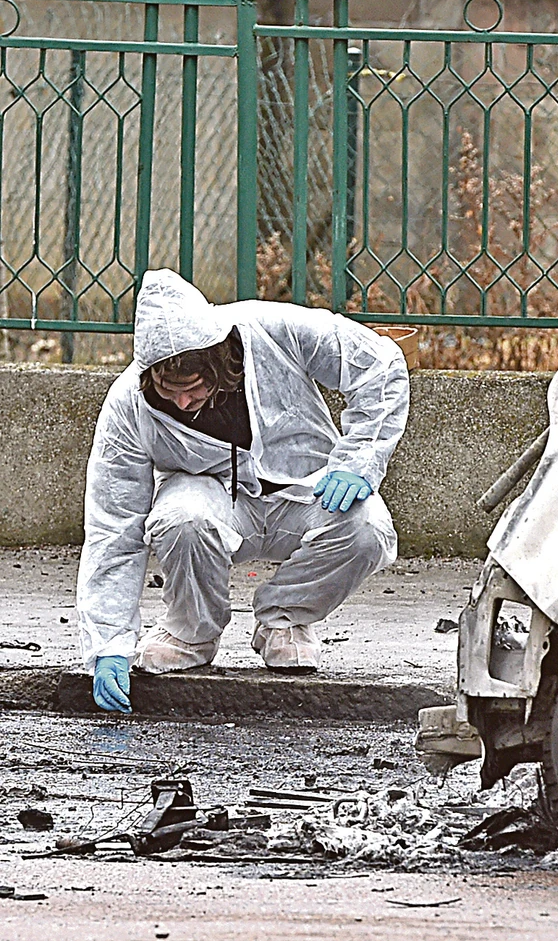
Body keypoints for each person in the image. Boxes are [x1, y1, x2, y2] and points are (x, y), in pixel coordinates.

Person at [78, 269, 409, 713]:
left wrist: (358, 460)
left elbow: (379, 364)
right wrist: (109, 642)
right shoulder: (127, 406)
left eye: (193, 389)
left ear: (218, 360)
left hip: (307, 491)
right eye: (166, 390)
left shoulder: (271, 329)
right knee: (182, 519)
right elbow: (113, 525)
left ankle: (286, 619)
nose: (181, 404)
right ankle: (189, 631)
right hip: (212, 503)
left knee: (368, 528)